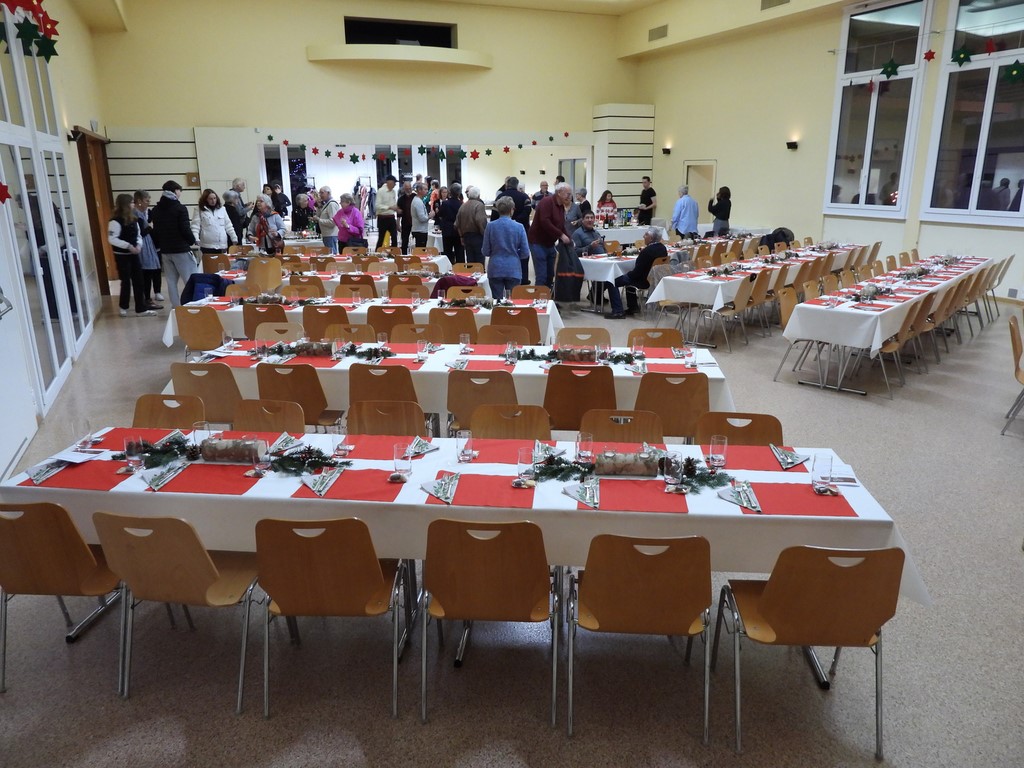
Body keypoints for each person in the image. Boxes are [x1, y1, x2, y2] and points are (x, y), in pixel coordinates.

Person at [149, 179, 196, 307]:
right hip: (181, 250)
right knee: (190, 279)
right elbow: (185, 229)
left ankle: (176, 307)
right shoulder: (180, 209)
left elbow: (156, 231)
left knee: (171, 282)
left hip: (165, 250)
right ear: (175, 191)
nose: (180, 193)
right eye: (179, 191)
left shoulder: (156, 210)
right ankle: (193, 306)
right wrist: (192, 241)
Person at [108, 193, 154, 317]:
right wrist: (128, 246)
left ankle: (141, 308)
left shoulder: (134, 219)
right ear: (126, 204)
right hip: (122, 255)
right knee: (126, 281)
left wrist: (138, 245)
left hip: (134, 254)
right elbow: (112, 239)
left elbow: (138, 235)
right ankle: (123, 306)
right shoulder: (115, 221)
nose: (134, 204)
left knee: (139, 280)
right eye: (132, 202)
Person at [605, 226, 667, 318]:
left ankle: (618, 311)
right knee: (628, 277)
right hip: (655, 279)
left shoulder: (647, 251)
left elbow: (636, 273)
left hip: (643, 281)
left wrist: (627, 274)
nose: (643, 236)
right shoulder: (663, 248)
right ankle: (633, 307)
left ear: (651, 238)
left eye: (646, 235)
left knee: (611, 281)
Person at [482, 196, 529, 299]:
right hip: (513, 268)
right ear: (512, 210)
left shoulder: (490, 226)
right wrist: (515, 253)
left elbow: (485, 251)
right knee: (512, 301)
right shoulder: (519, 227)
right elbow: (525, 252)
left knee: (497, 301)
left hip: (495, 268)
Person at [527, 181, 572, 288]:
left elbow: (561, 225)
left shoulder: (561, 206)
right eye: (568, 194)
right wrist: (561, 235)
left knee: (550, 275)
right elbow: (545, 222)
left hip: (549, 244)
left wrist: (570, 239)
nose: (570, 197)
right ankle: (539, 298)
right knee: (541, 275)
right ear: (559, 192)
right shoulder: (546, 202)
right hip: (538, 242)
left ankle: (548, 297)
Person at [133, 190, 163, 305]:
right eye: (147, 200)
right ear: (139, 201)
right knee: (146, 273)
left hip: (148, 244)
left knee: (150, 272)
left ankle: (148, 297)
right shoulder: (136, 214)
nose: (148, 203)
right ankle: (146, 299)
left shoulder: (143, 213)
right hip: (143, 246)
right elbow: (140, 232)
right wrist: (150, 227)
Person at [190, 188, 237, 255]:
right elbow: (195, 226)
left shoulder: (222, 209)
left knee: (222, 261)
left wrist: (234, 237)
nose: (213, 201)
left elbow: (228, 225)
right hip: (207, 245)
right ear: (205, 199)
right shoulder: (199, 210)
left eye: (215, 198)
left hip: (222, 244)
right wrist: (196, 238)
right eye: (210, 199)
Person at [455, 185, 487, 264]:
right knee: (479, 262)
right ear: (478, 195)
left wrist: (461, 236)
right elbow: (480, 221)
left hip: (466, 237)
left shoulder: (463, 206)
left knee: (470, 261)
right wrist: (484, 234)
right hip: (477, 236)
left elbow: (456, 224)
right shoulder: (479, 205)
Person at [435, 182, 463, 262]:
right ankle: (460, 267)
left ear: (450, 192)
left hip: (447, 230)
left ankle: (448, 267)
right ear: (459, 193)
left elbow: (439, 214)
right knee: (459, 252)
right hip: (458, 230)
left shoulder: (445, 203)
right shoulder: (461, 204)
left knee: (447, 252)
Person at [376, 175, 399, 251]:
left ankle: (394, 253)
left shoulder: (393, 192)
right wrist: (389, 207)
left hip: (391, 217)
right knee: (381, 238)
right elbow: (377, 206)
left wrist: (396, 209)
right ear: (389, 182)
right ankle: (376, 253)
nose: (395, 185)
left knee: (394, 237)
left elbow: (394, 203)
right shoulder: (381, 191)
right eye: (394, 183)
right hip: (382, 218)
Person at [315, 186, 340, 253]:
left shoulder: (332, 204)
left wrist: (319, 220)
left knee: (331, 255)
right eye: (319, 193)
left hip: (331, 235)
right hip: (327, 235)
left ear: (328, 193)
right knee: (328, 254)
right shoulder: (327, 204)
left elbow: (332, 222)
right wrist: (319, 207)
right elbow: (320, 215)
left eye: (322, 193)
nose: (320, 195)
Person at [410, 181, 431, 250]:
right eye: (425, 189)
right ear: (419, 190)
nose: (427, 191)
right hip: (420, 231)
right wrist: (430, 216)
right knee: (420, 251)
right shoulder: (418, 202)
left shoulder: (418, 200)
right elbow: (422, 218)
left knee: (420, 250)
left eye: (427, 189)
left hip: (419, 230)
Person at [397, 181, 415, 254]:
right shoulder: (401, 199)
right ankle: (404, 256)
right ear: (404, 189)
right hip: (405, 222)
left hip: (415, 222)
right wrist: (398, 223)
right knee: (404, 241)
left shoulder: (415, 197)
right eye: (407, 188)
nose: (408, 190)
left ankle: (416, 256)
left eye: (409, 188)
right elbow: (399, 213)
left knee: (417, 241)